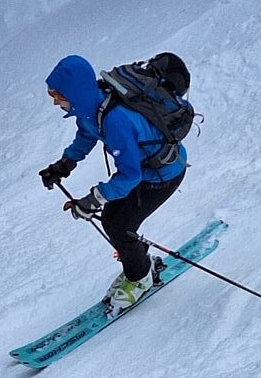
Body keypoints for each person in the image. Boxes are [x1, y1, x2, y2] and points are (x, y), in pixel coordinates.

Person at [40, 54, 189, 313]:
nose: (55, 102)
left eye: (58, 96)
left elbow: (129, 176)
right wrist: (64, 165)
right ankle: (141, 264)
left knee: (121, 227)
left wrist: (93, 199)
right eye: (53, 95)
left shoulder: (115, 119)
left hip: (163, 175)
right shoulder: (90, 108)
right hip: (144, 172)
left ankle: (140, 277)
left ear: (75, 93)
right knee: (110, 219)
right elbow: (86, 135)